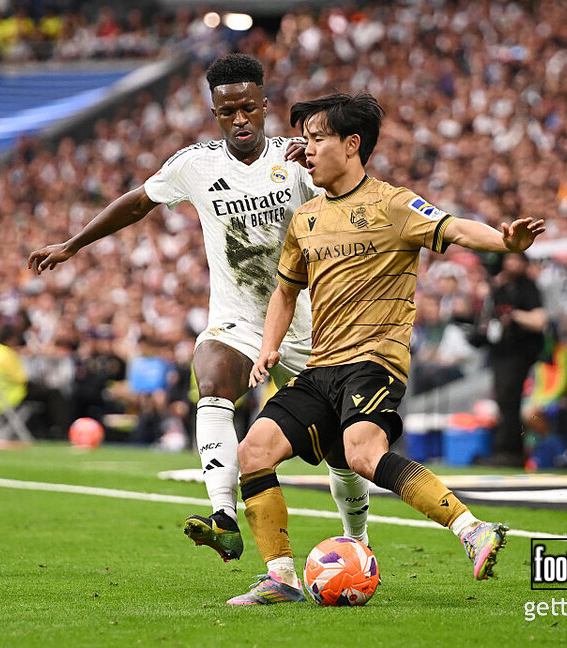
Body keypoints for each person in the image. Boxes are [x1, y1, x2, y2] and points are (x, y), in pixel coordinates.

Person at [28, 54, 373, 561]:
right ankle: (224, 516)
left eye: (248, 109)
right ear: (214, 111)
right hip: (238, 321)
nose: (239, 120)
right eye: (227, 111)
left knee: (343, 455)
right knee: (210, 376)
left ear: (264, 105)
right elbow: (137, 202)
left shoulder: (295, 161)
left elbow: (352, 195)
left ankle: (359, 544)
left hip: (309, 324)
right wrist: (73, 245)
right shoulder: (195, 165)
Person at [228, 92, 545, 605]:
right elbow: (285, 291)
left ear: (351, 145)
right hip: (321, 365)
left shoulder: (393, 204)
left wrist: (506, 243)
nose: (304, 150)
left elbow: (456, 227)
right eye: (304, 140)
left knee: (362, 453)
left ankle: (473, 530)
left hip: (374, 362)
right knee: (253, 451)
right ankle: (281, 576)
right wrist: (267, 348)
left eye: (316, 139)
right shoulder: (304, 218)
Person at [484, 253, 546, 466]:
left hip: (521, 354)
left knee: (511, 400)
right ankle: (504, 449)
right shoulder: (499, 288)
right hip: (501, 353)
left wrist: (515, 315)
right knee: (503, 401)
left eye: (517, 260)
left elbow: (539, 320)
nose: (512, 264)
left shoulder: (528, 287)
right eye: (509, 260)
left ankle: (511, 452)